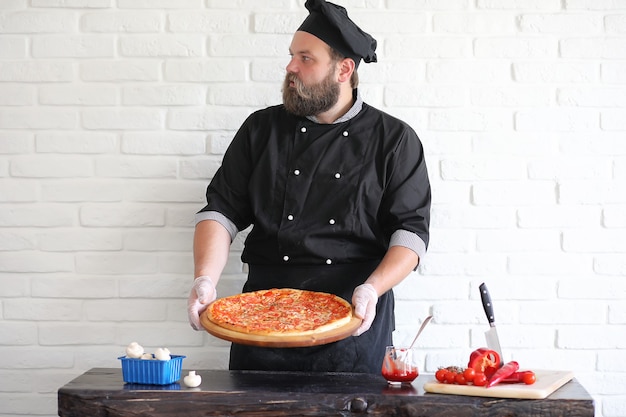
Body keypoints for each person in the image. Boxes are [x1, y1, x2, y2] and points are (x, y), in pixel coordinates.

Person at [187, 0, 430, 374]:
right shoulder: (260, 130)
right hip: (261, 319)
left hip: (353, 320)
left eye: (305, 58)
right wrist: (205, 278)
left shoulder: (394, 139)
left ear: (343, 69)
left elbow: (411, 235)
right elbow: (220, 212)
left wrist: (371, 289)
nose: (290, 67)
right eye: (291, 56)